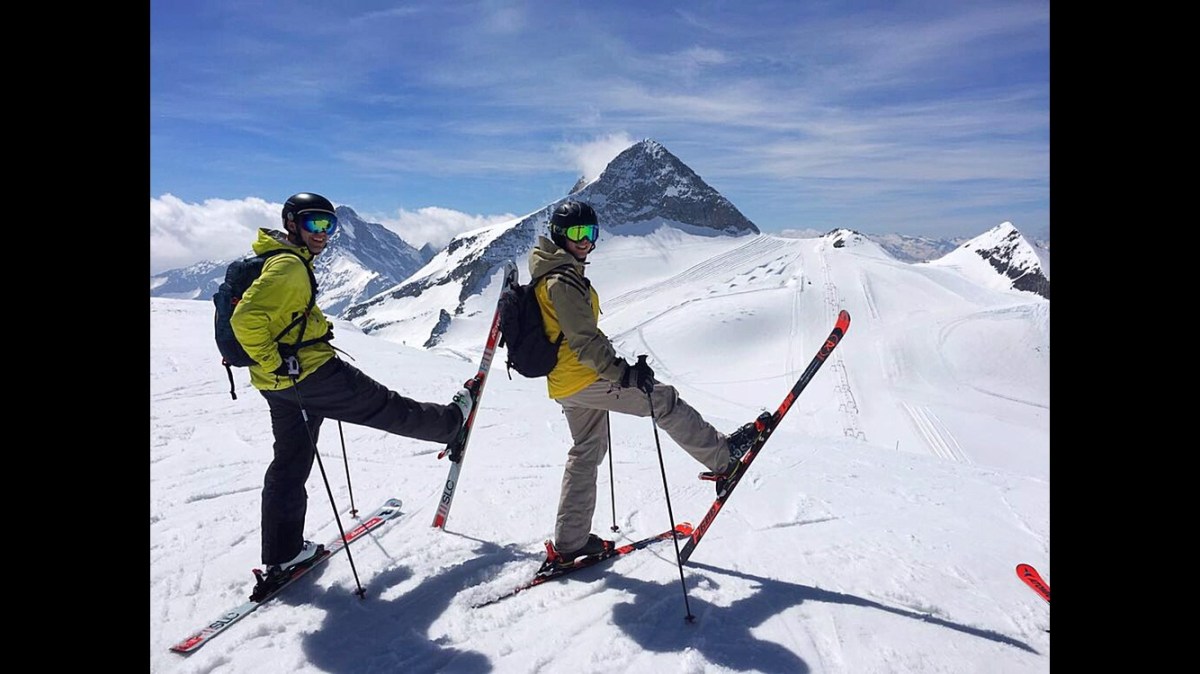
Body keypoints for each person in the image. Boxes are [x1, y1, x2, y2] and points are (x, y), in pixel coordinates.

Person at [231, 192, 477, 591]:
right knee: (384, 406)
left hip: (277, 385)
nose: (322, 233)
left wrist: (279, 359)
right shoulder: (289, 267)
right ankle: (451, 425)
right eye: (313, 223)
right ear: (291, 223)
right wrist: (275, 359)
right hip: (310, 375)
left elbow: (278, 315)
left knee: (289, 463)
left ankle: (283, 553)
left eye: (328, 225)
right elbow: (246, 319)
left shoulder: (278, 258)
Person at [528, 200, 762, 568]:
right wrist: (623, 374)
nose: (585, 241)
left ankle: (570, 542)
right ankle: (722, 459)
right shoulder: (563, 281)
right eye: (577, 233)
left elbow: (576, 335)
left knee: (586, 450)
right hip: (585, 377)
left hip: (565, 383)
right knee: (663, 400)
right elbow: (584, 342)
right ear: (559, 234)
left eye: (591, 233)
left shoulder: (552, 273)